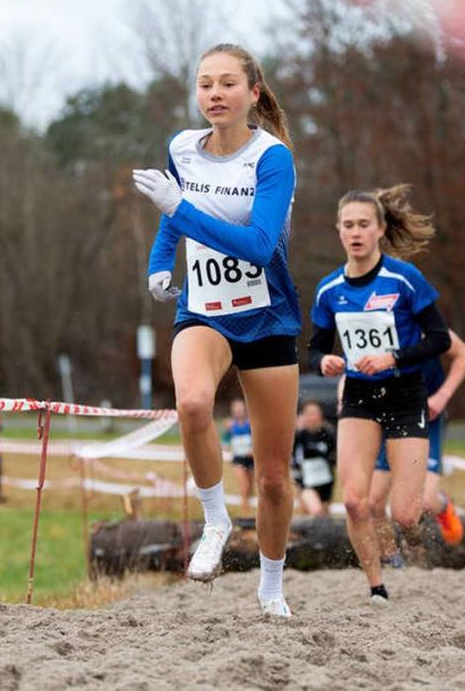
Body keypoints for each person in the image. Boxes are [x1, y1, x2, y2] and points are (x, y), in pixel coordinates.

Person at [133, 43, 299, 617]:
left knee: (275, 479)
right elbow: (171, 218)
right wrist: (160, 263)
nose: (215, 95)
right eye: (205, 84)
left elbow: (256, 247)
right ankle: (215, 520)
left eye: (228, 84)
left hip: (267, 316)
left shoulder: (272, 159)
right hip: (204, 311)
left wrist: (181, 209)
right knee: (194, 405)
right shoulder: (182, 147)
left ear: (253, 93)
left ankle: (271, 586)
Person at [308, 186, 449, 606]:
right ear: (338, 232)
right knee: (355, 502)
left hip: (405, 394)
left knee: (405, 514)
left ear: (380, 230)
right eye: (348, 225)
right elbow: (316, 346)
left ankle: (436, 514)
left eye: (364, 225)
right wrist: (323, 363)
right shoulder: (329, 289)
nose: (356, 233)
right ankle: (376, 587)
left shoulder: (405, 279)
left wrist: (394, 357)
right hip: (359, 398)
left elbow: (440, 339)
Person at [371, 330, 465, 548]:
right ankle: (391, 557)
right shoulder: (374, 320)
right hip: (390, 416)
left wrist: (442, 396)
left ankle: (443, 504)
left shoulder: (423, 322)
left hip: (426, 414)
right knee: (373, 500)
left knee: (426, 501)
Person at [293, 401, 336, 517]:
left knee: (324, 517)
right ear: (304, 416)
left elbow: (334, 457)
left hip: (326, 481)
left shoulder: (329, 434)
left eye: (315, 413)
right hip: (306, 482)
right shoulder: (299, 437)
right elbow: (292, 460)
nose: (313, 417)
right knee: (317, 511)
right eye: (309, 414)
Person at [222, 399, 255, 511]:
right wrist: (225, 446)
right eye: (236, 410)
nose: (238, 411)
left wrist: (253, 450)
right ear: (233, 411)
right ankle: (245, 510)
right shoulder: (230, 427)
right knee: (244, 485)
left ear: (244, 410)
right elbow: (225, 443)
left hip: (250, 459)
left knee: (250, 487)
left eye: (240, 409)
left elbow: (257, 440)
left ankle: (248, 506)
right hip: (238, 459)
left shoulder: (251, 424)